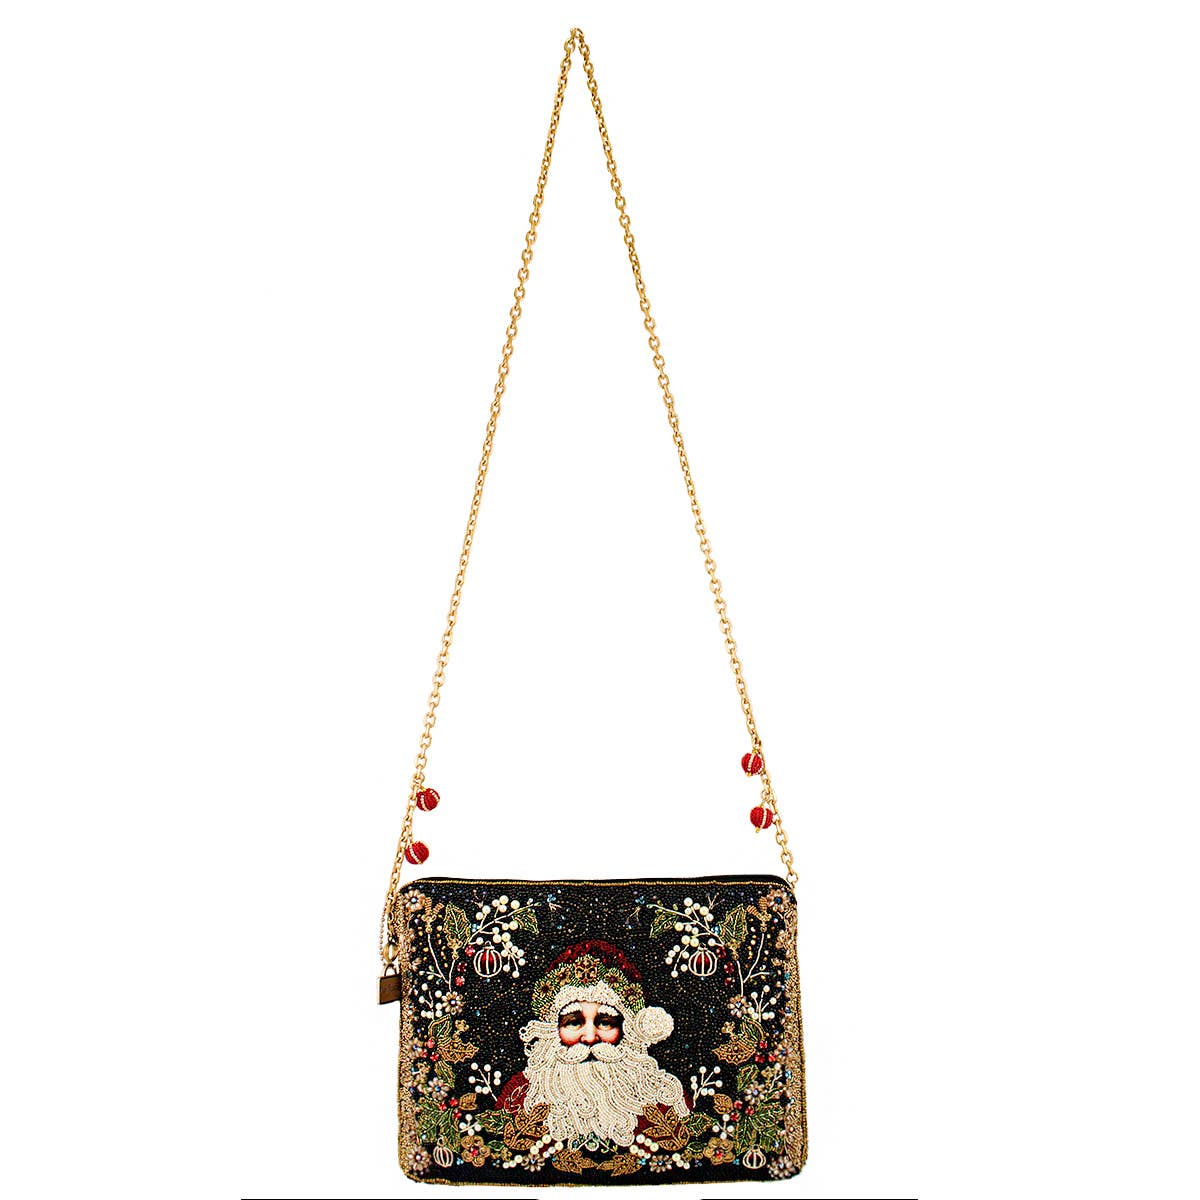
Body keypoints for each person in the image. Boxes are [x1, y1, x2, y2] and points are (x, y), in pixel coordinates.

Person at [495, 940, 689, 1147]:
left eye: (605, 1023)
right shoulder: (520, 1097)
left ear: (626, 1031)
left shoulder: (664, 1099)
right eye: (573, 1022)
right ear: (553, 1030)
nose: (589, 1038)